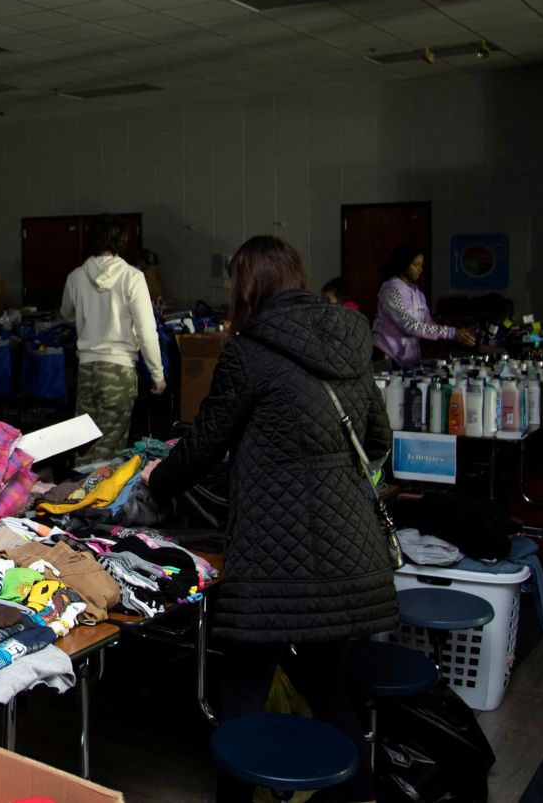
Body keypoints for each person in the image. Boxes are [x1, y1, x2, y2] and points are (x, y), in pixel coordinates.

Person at [141, 236, 396, 803]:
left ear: (246, 285)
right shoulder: (353, 340)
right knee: (329, 690)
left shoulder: (249, 350)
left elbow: (205, 442)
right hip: (350, 548)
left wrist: (155, 480)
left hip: (275, 557)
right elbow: (378, 438)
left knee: (243, 690)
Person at [59, 215, 165, 455]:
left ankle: (74, 488)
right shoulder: (132, 277)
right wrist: (157, 373)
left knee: (83, 442)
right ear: (122, 241)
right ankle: (94, 490)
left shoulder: (75, 277)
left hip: (87, 370)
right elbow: (147, 330)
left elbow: (66, 313)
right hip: (118, 371)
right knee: (110, 444)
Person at [371, 245, 474, 365]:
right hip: (387, 357)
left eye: (421, 265)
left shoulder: (418, 294)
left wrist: (457, 334)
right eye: (416, 264)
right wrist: (451, 333)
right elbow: (409, 325)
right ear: (404, 264)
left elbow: (426, 325)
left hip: (408, 361)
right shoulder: (392, 290)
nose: (420, 269)